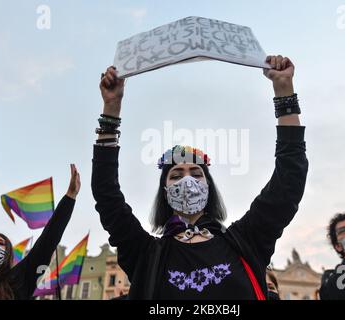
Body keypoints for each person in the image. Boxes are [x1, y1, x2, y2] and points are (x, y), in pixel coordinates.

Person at [92, 55, 308, 299]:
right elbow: (106, 194)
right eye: (176, 175)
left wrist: (284, 92)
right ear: (164, 191)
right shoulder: (146, 254)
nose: (188, 180)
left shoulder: (246, 241)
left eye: (196, 173)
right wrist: (111, 109)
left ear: (209, 186)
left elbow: (288, 182)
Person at [0, 164, 81, 300]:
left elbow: (47, 242)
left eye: (0, 244)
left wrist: (70, 197)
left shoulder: (16, 282)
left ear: (8, 256)